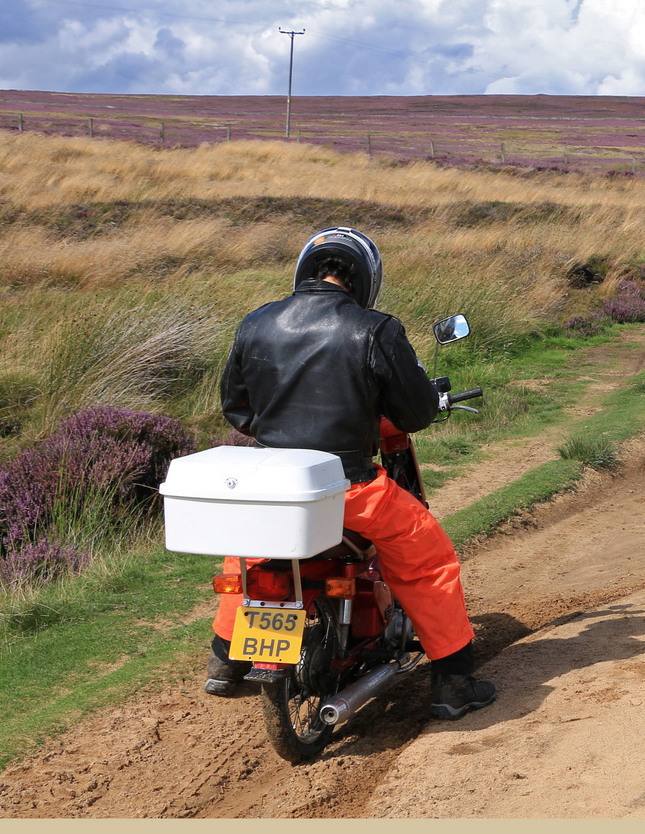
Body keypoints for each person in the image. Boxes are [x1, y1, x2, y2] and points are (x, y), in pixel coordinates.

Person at [206, 227, 497, 721]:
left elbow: (237, 409)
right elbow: (416, 412)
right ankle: (454, 680)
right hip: (351, 487)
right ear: (365, 277)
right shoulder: (376, 329)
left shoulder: (255, 322)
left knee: (254, 554)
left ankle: (223, 660)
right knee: (429, 560)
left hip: (275, 482)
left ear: (306, 270)